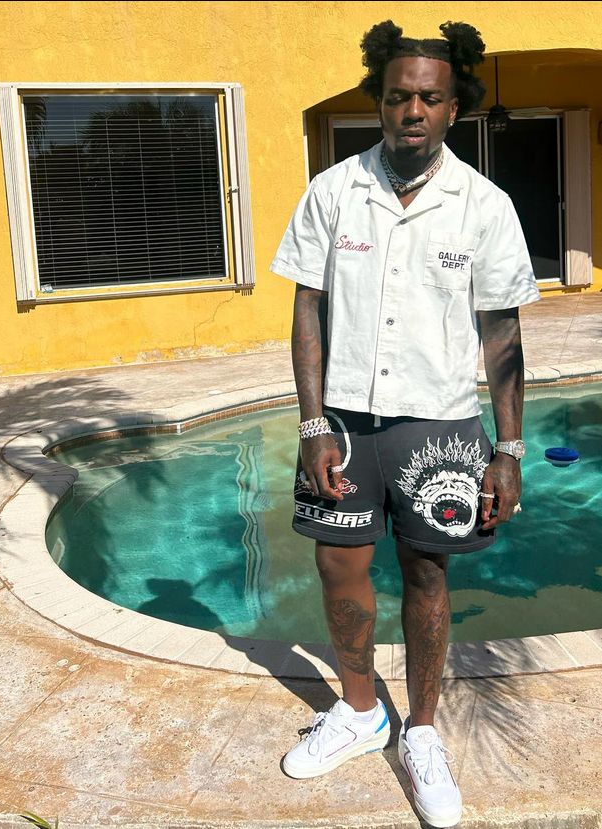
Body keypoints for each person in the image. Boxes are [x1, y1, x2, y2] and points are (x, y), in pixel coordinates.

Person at [270, 19, 540, 829]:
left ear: (454, 107)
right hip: (346, 419)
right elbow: (307, 308)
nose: (411, 110)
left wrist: (509, 448)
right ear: (378, 102)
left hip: (441, 424)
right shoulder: (332, 190)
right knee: (336, 568)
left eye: (428, 97)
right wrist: (312, 419)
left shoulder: (483, 206)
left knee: (427, 576)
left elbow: (501, 335)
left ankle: (420, 731)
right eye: (396, 96)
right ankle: (360, 711)